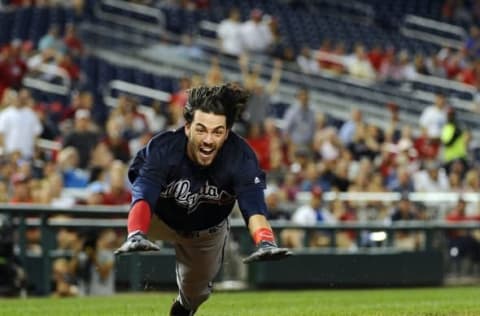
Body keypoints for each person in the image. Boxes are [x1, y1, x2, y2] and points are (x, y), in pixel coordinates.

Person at [115, 83, 292, 316]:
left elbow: (254, 206)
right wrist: (136, 233)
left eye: (217, 132)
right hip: (159, 218)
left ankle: (181, 309)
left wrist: (265, 242)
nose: (209, 139)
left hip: (205, 231)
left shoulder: (240, 156)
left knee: (195, 296)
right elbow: (144, 195)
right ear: (187, 127)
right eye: (201, 129)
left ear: (227, 132)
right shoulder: (164, 149)